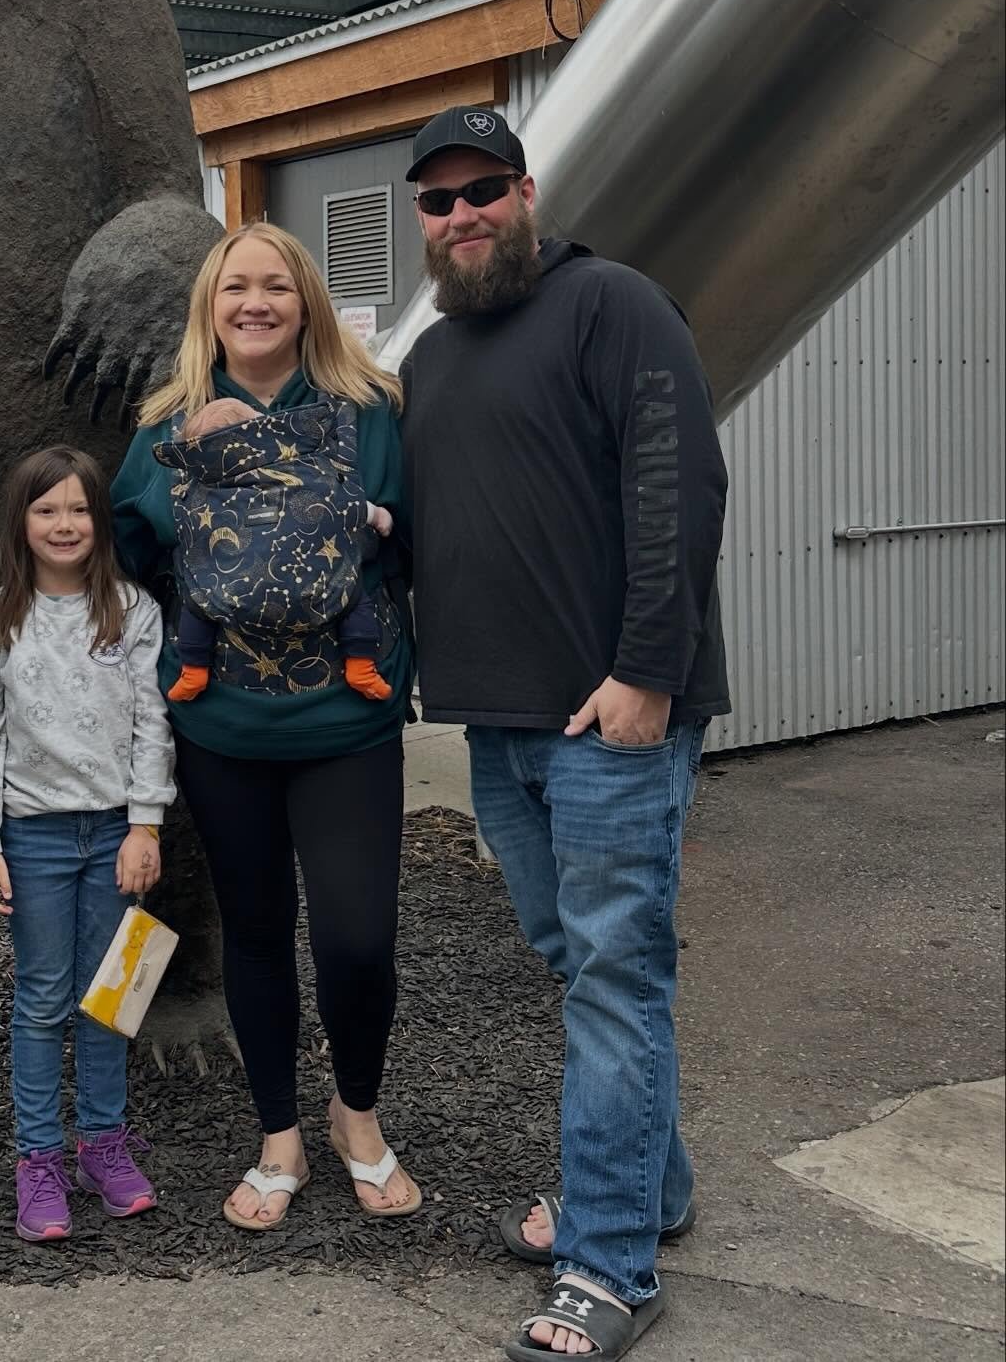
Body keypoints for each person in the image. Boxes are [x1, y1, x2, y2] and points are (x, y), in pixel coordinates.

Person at [398, 107, 730, 1361]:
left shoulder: (613, 306)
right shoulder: (432, 357)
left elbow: (679, 483)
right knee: (582, 965)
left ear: (527, 192)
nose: (462, 214)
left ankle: (608, 1264)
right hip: (501, 725)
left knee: (612, 978)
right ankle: (651, 1185)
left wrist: (647, 671)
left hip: (612, 723)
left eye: (483, 188)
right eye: (438, 200)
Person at [111, 222, 420, 1230]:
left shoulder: (368, 410)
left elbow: (409, 535)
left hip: (347, 716)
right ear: (209, 307)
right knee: (253, 929)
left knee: (358, 936)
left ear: (306, 302)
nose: (255, 303)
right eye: (235, 286)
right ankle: (279, 1131)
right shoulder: (169, 422)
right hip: (224, 723)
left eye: (276, 286)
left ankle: (355, 1112)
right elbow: (128, 547)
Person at [0, 446, 174, 1243]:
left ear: (99, 521)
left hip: (115, 831)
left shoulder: (131, 610)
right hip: (33, 835)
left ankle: (103, 1145)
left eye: (79, 509)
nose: (64, 524)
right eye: (47, 509)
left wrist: (145, 823)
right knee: (44, 997)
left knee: (112, 995)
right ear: (21, 522)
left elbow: (153, 722)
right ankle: (39, 1158)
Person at [162, 393, 395, 704]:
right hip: (318, 590)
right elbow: (345, 505)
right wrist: (379, 516)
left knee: (195, 602)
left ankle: (193, 669)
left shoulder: (200, 494)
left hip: (225, 598)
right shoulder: (304, 470)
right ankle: (361, 666)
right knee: (353, 599)